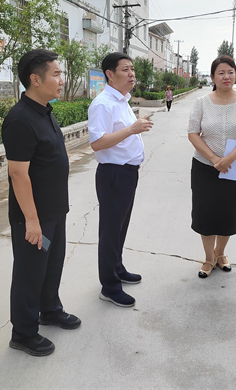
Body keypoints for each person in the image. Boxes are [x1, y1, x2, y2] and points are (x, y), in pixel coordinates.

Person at [2, 49, 81, 357]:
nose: (62, 80)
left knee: (52, 264)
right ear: (35, 80)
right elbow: (18, 174)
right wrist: (32, 221)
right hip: (33, 216)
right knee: (30, 272)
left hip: (54, 210)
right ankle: (23, 333)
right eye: (56, 74)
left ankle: (49, 309)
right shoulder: (20, 119)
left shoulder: (45, 111)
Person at [88, 52, 154, 307]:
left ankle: (117, 268)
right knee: (110, 230)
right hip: (113, 174)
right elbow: (97, 142)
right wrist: (132, 129)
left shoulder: (122, 100)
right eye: (125, 69)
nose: (131, 74)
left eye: (132, 69)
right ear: (110, 74)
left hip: (127, 173)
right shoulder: (103, 104)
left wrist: (134, 128)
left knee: (120, 227)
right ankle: (109, 286)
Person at [188, 55, 236, 278]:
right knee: (206, 213)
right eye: (221, 73)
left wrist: (228, 159)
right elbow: (193, 133)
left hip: (234, 167)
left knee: (228, 212)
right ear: (212, 77)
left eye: (230, 72)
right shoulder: (201, 102)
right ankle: (208, 258)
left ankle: (220, 253)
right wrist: (214, 159)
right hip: (204, 166)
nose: (226, 76)